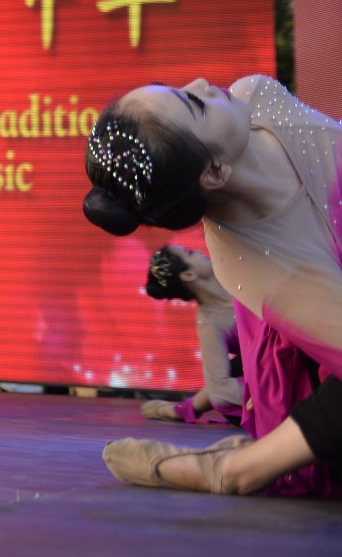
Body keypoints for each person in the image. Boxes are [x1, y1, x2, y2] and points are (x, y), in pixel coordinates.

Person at [85, 76, 342, 496]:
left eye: (180, 88)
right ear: (214, 171)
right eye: (195, 104)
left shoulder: (257, 96)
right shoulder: (246, 262)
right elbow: (222, 391)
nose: (202, 83)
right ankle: (238, 470)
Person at [137, 246, 242, 426]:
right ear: (188, 275)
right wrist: (268, 393)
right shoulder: (211, 324)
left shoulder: (241, 277)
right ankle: (180, 410)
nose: (200, 252)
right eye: (190, 253)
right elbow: (220, 390)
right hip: (264, 389)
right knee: (241, 366)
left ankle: (180, 410)